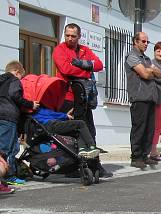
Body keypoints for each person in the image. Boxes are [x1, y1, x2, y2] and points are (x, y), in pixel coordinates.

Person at [52, 23, 110, 177]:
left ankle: (95, 165)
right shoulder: (60, 49)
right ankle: (71, 168)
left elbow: (98, 65)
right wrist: (86, 71)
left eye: (73, 36)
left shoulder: (85, 50)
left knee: (90, 132)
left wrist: (84, 64)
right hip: (67, 97)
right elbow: (65, 69)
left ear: (79, 36)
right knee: (70, 134)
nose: (70, 38)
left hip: (83, 98)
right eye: (67, 35)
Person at [125, 31, 161, 169]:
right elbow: (144, 74)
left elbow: (160, 75)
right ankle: (136, 157)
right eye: (143, 41)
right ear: (135, 42)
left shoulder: (147, 59)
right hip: (139, 97)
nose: (146, 44)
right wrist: (151, 71)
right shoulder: (132, 57)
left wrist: (152, 71)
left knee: (150, 129)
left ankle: (144, 155)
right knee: (139, 128)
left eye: (147, 42)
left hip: (150, 97)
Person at [0, 61, 38, 186]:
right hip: (8, 117)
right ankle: (9, 176)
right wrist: (30, 104)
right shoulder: (14, 80)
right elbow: (15, 94)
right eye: (21, 76)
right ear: (17, 72)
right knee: (8, 149)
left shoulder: (2, 80)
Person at [31, 106, 102, 159]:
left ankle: (82, 149)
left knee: (77, 131)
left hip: (50, 125)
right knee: (81, 123)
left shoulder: (35, 111)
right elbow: (52, 114)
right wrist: (66, 116)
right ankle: (92, 146)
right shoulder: (38, 110)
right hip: (51, 125)